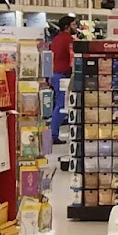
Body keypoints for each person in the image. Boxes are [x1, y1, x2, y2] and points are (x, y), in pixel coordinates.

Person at [48, 15, 74, 147]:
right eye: (74, 24)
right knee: (61, 105)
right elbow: (72, 59)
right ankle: (52, 135)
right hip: (62, 76)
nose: (76, 27)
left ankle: (51, 135)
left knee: (58, 105)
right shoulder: (69, 40)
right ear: (67, 27)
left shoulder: (55, 39)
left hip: (54, 74)